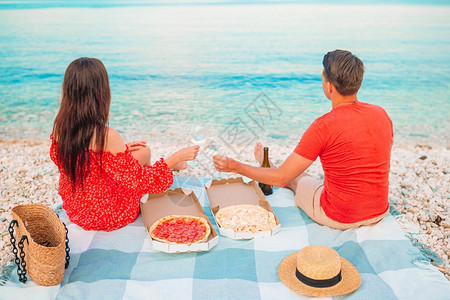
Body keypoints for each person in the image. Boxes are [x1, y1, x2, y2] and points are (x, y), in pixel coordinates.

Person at [213, 49, 393, 230]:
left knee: (297, 178)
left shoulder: (324, 126)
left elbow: (281, 180)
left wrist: (234, 167)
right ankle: (270, 165)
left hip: (340, 217)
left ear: (329, 86)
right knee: (300, 175)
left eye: (322, 79)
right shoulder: (381, 114)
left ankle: (269, 165)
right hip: (379, 211)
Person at [51, 57, 199, 231]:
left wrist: (121, 151)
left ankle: (164, 172)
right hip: (107, 214)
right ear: (101, 91)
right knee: (144, 170)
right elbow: (138, 181)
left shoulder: (60, 126)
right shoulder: (106, 135)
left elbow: (83, 160)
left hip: (77, 208)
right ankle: (162, 179)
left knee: (142, 151)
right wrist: (175, 157)